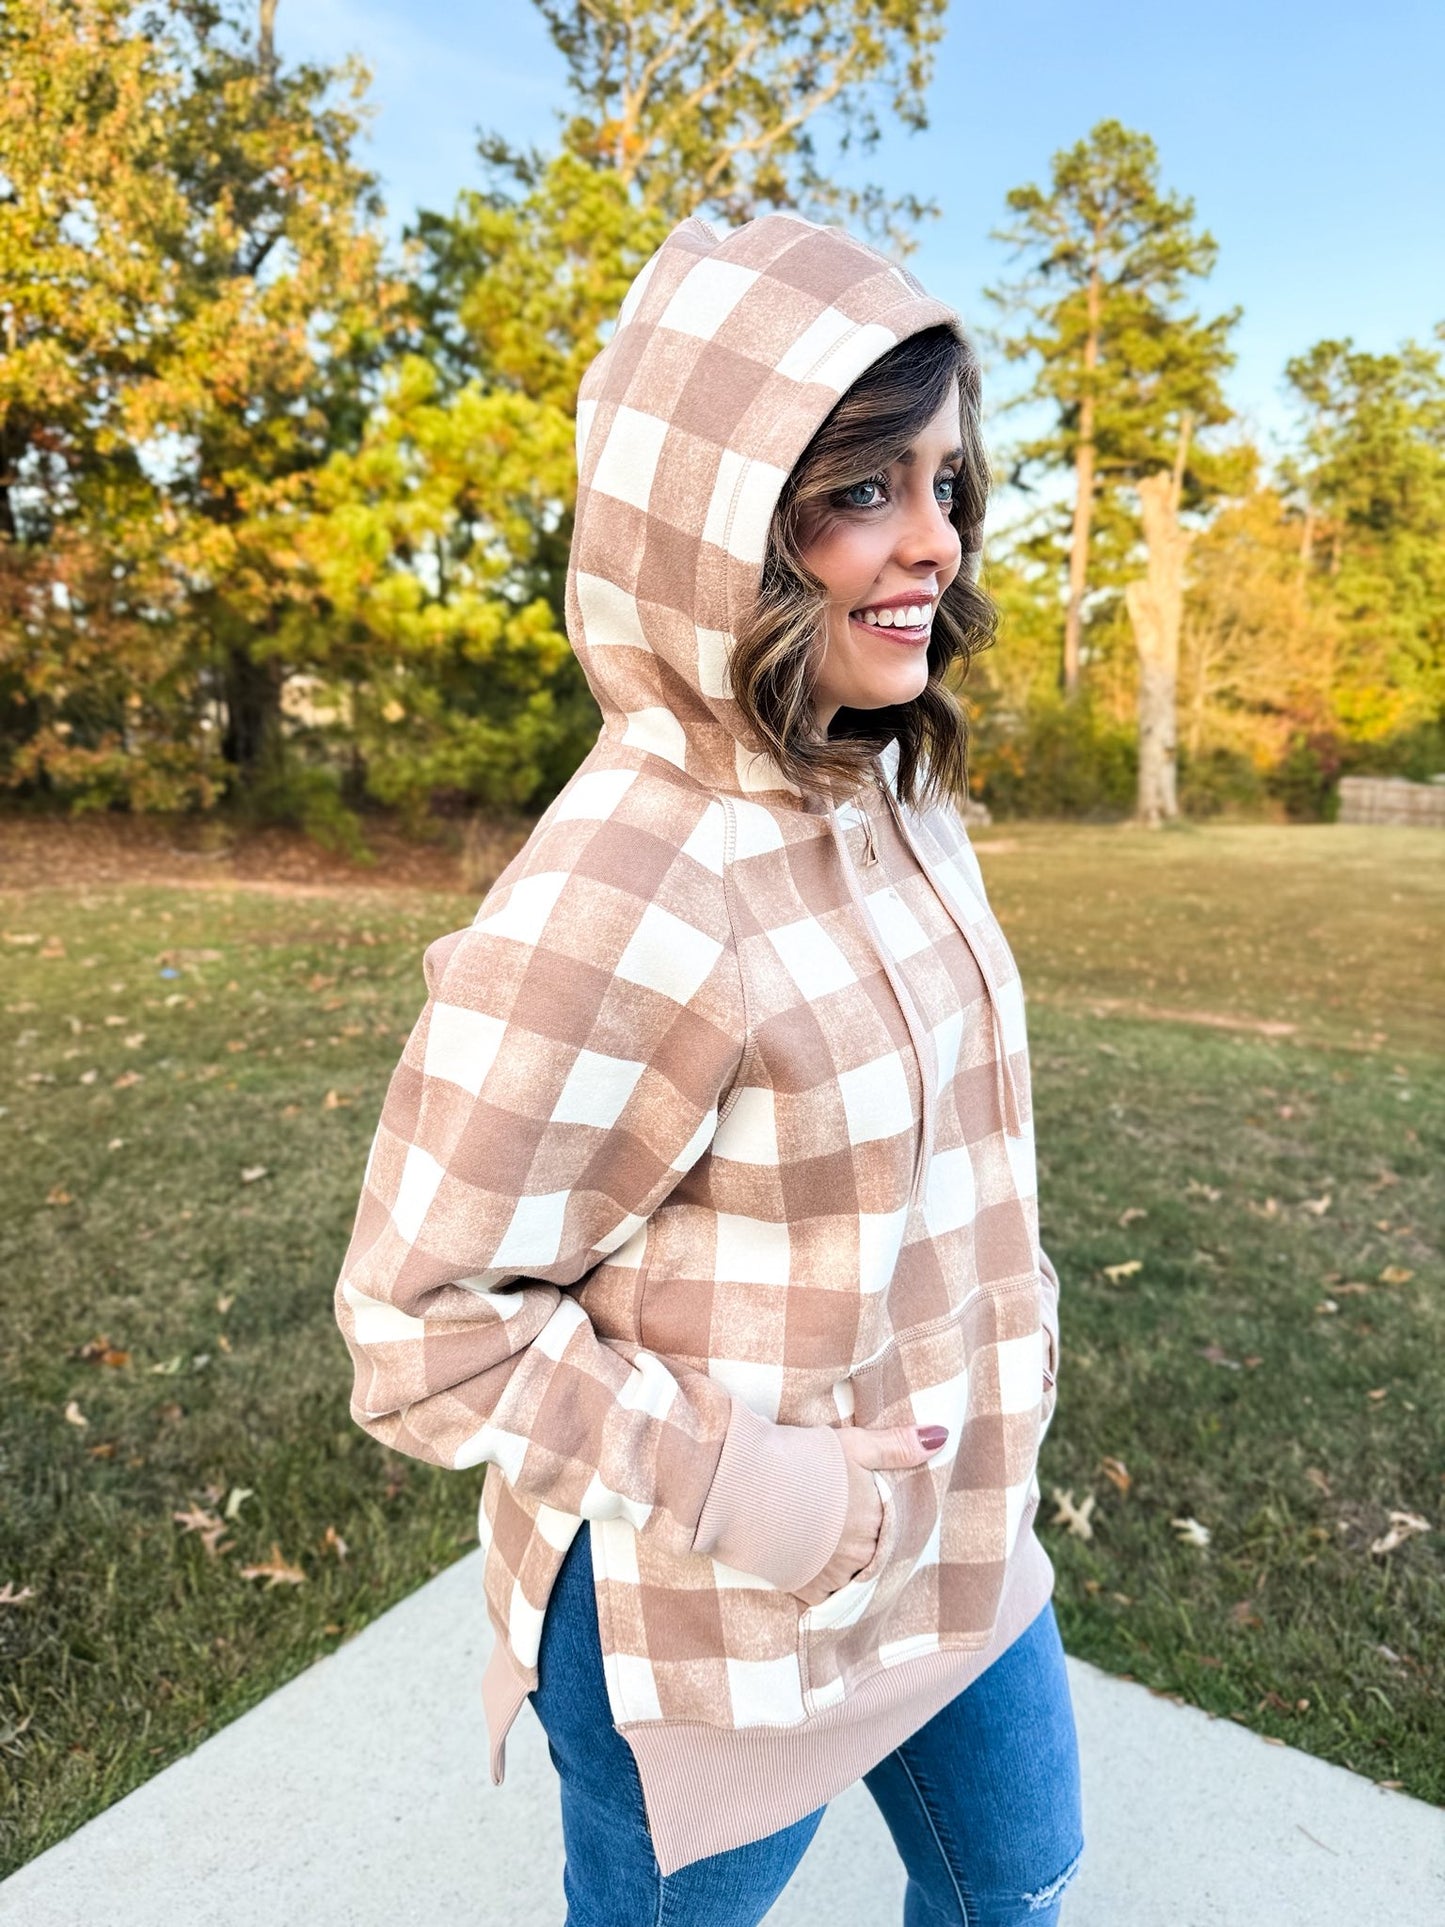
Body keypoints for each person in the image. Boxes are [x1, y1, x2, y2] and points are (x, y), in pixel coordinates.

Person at [333, 211, 1084, 1925]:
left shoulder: (893, 783)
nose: (932, 550)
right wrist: (767, 1493)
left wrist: (1011, 1341)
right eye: (858, 495)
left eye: (946, 486)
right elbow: (416, 1328)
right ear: (717, 533)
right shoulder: (624, 886)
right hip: (719, 1617)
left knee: (1016, 1893)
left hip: (959, 1548)